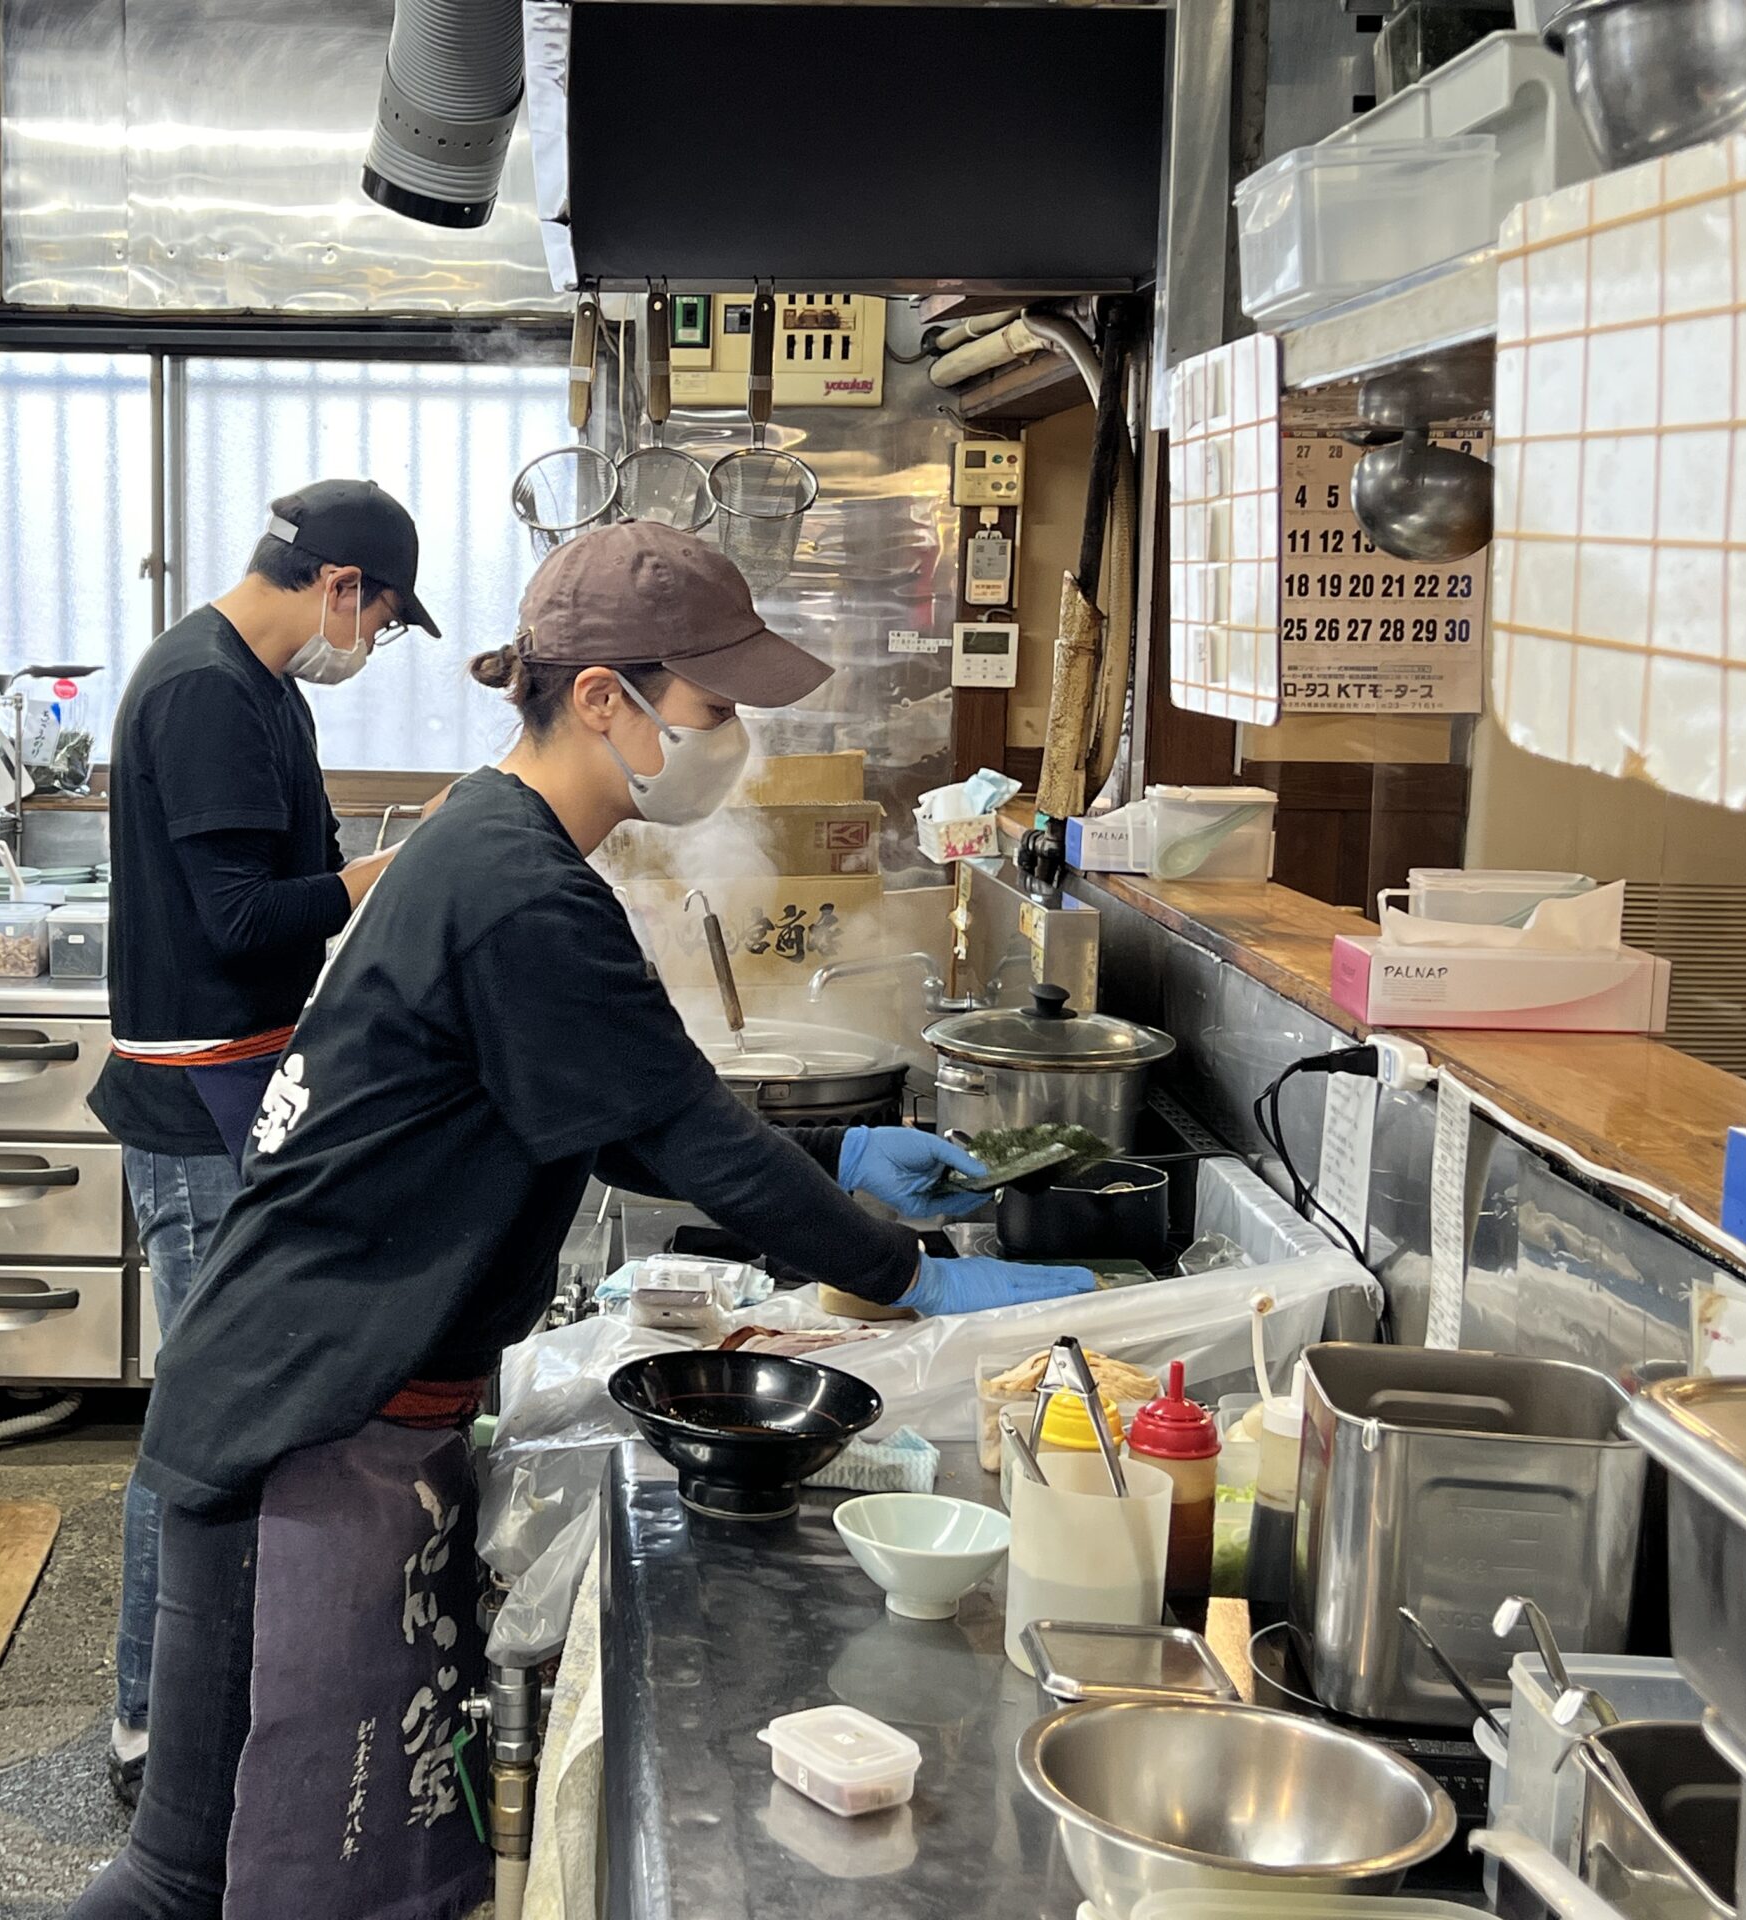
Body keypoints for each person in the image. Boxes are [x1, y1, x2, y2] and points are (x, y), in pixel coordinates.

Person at [67, 522, 1096, 1920]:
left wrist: (840, 1144)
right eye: (714, 705)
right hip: (290, 1427)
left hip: (322, 1398)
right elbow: (682, 1130)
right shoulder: (517, 885)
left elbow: (606, 1102)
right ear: (606, 698)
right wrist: (906, 1273)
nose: (729, 738)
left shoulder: (494, 846)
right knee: (185, 1885)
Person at [93, 478, 439, 1805]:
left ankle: (198, 1705)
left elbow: (281, 886)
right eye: (386, 620)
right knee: (203, 1417)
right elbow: (241, 920)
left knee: (226, 1406)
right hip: (194, 1104)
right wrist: (381, 884)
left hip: (244, 1082)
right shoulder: (206, 691)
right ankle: (147, 1727)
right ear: (341, 586)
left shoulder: (265, 687)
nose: (373, 646)